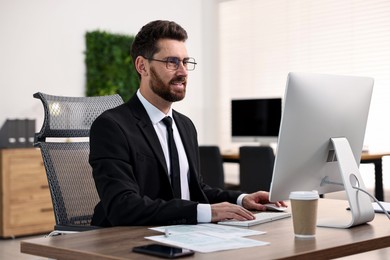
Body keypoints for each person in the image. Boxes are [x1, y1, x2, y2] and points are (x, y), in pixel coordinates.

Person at [89, 20, 286, 227]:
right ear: (142, 66)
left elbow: (194, 189)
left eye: (185, 62)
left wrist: (242, 199)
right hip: (128, 241)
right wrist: (206, 212)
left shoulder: (185, 126)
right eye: (172, 62)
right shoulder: (111, 126)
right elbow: (123, 207)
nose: (183, 72)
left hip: (182, 235)